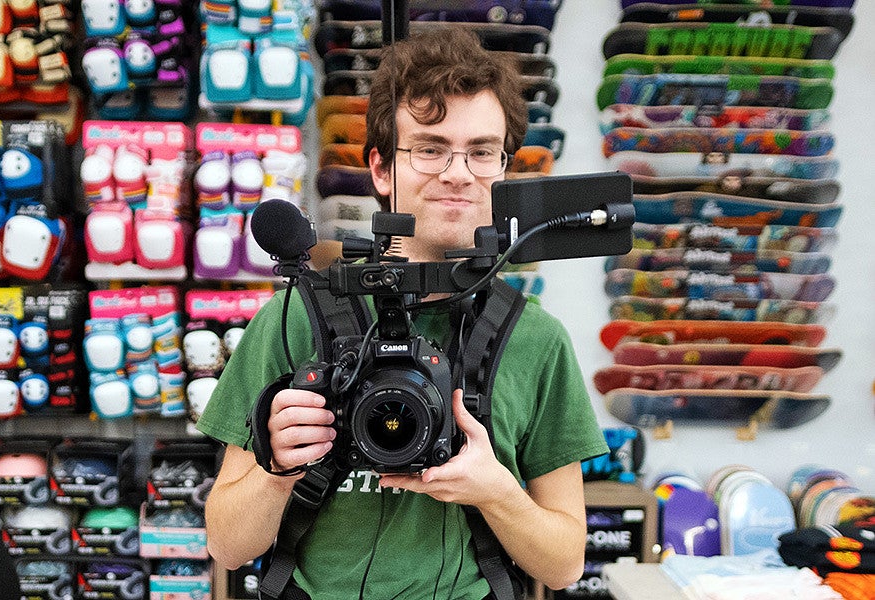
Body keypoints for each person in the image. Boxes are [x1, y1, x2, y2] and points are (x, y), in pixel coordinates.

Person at [197, 26, 609, 599]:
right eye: (430, 148)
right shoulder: (298, 317)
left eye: (482, 152)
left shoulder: (534, 339)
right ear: (382, 169)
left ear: (504, 168)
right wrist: (275, 472)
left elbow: (564, 566)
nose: (458, 173)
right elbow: (227, 546)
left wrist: (495, 491)